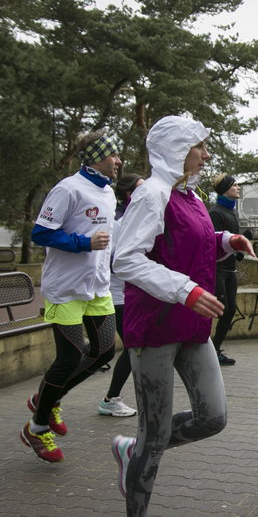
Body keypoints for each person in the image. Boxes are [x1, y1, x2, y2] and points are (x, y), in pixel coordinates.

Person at [111, 115, 255, 515]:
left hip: (191, 323)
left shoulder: (189, 197)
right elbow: (124, 259)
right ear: (177, 150)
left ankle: (133, 449)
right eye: (200, 148)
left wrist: (225, 241)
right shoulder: (151, 194)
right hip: (155, 326)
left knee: (214, 418)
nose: (207, 156)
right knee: (154, 436)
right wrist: (185, 290)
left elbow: (185, 242)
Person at [22, 131, 121, 463]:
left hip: (97, 286)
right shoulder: (68, 188)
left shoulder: (108, 193)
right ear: (97, 157)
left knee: (104, 350)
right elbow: (41, 233)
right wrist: (83, 243)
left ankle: (46, 400)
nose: (119, 161)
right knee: (69, 358)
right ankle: (37, 429)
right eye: (114, 155)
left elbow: (110, 238)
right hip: (65, 288)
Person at [98, 173, 144, 418]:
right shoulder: (119, 222)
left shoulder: (139, 220)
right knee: (133, 346)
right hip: (118, 296)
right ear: (129, 195)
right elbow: (113, 262)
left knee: (137, 346)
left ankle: (114, 397)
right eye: (141, 188)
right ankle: (110, 399)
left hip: (135, 295)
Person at [209, 173, 243, 365]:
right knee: (222, 310)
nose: (238, 188)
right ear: (225, 189)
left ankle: (214, 350)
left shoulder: (233, 211)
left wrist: (239, 249)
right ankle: (204, 350)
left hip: (231, 269)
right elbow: (214, 241)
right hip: (218, 269)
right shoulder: (216, 212)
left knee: (230, 311)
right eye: (235, 185)